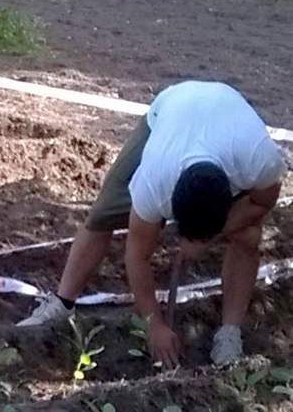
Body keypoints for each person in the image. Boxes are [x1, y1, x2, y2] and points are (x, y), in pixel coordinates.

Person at [16, 80, 287, 368]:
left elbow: (261, 203)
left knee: (248, 235)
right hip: (174, 106)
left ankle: (229, 334)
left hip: (228, 114)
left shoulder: (260, 161)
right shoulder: (153, 183)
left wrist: (210, 235)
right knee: (102, 214)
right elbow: (137, 255)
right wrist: (153, 324)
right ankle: (63, 302)